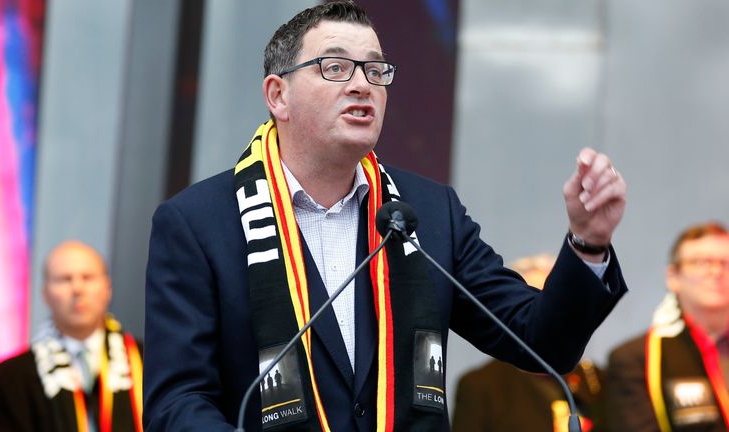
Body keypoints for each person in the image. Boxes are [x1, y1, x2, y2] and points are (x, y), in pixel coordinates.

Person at [143, 2, 628, 431]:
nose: (361, 85)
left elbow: (541, 341)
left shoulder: (427, 211)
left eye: (375, 71)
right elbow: (177, 402)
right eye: (335, 67)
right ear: (278, 96)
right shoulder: (198, 223)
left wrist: (587, 243)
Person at [0, 241, 143, 432]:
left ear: (107, 288)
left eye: (88, 277)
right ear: (45, 294)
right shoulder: (7, 381)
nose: (77, 289)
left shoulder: (149, 362)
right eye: (64, 279)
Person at [452, 254, 607, 431]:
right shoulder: (481, 386)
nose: (552, 317)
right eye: (540, 307)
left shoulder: (594, 379)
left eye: (558, 306)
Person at [607, 222, 729, 431]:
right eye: (701, 262)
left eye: (725, 263)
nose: (716, 272)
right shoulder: (638, 359)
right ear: (673, 277)